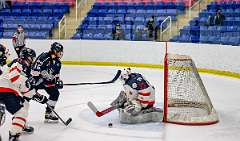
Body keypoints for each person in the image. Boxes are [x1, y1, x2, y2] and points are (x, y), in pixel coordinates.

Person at [0, 48, 48, 141]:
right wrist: (27, 83)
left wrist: (38, 96)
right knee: (21, 111)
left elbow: (24, 89)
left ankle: (21, 124)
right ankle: (14, 135)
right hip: (6, 89)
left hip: (6, 89)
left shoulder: (25, 68)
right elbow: (14, 77)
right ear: (27, 57)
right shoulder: (19, 62)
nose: (32, 60)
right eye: (31, 58)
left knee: (24, 103)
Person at [31, 42, 64, 123]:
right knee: (27, 94)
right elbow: (34, 71)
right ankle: (18, 115)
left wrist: (57, 82)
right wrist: (44, 75)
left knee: (55, 93)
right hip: (35, 80)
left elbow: (56, 75)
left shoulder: (58, 63)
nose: (61, 53)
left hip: (46, 82)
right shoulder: (44, 57)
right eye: (60, 51)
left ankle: (48, 113)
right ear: (55, 51)